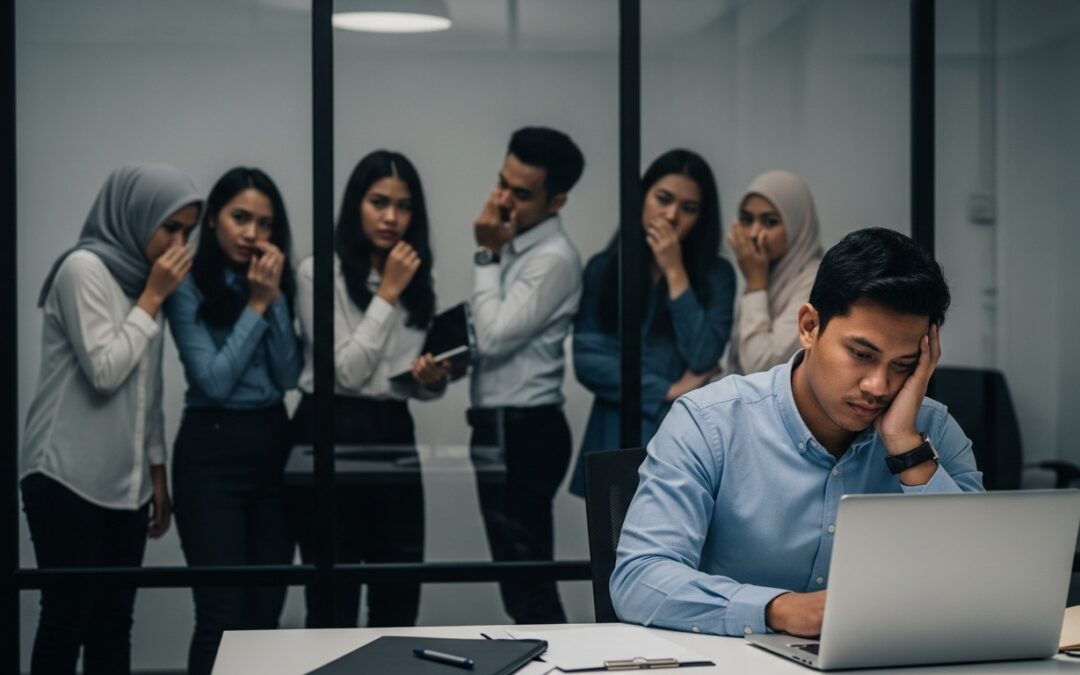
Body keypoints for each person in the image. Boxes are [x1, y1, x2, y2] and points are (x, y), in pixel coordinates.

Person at [610, 228, 983, 639]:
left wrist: (906, 449)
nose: (879, 386)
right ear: (809, 326)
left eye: (903, 365)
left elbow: (983, 581)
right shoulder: (709, 422)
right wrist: (779, 609)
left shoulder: (931, 433)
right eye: (862, 354)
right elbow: (639, 579)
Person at [20, 163, 201, 675]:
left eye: (188, 231)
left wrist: (157, 472)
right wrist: (151, 299)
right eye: (170, 227)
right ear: (136, 215)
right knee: (65, 619)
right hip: (64, 473)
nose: (179, 243)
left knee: (114, 622)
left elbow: (149, 390)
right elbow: (105, 371)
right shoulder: (83, 270)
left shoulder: (147, 283)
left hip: (125, 484)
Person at [292, 150, 448, 628]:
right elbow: (348, 373)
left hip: (392, 428)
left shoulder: (421, 278)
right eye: (378, 202)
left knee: (399, 589)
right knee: (333, 594)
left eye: (403, 206)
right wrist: (387, 293)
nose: (391, 218)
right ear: (354, 205)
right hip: (329, 424)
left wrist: (431, 382)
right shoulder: (319, 273)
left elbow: (401, 383)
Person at [165, 167, 303, 675]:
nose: (253, 234)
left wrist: (275, 296)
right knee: (220, 616)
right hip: (211, 451)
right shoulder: (186, 285)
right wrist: (258, 304)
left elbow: (290, 375)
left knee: (265, 611)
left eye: (266, 224)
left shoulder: (273, 280)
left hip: (272, 441)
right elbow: (213, 383)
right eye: (240, 218)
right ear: (214, 221)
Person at [468, 126, 585, 624]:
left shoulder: (553, 258)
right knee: (518, 582)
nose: (502, 200)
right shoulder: (517, 246)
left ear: (556, 201)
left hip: (526, 430)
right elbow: (489, 337)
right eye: (501, 183)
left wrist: (485, 254)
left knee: (528, 586)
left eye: (521, 193)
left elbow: (493, 337)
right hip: (502, 425)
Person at [569, 149, 735, 497]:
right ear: (643, 198)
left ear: (701, 217)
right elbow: (587, 360)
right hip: (614, 431)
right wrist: (666, 390)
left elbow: (703, 356)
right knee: (609, 545)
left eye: (688, 208)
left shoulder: (717, 275)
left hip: (678, 435)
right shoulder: (604, 268)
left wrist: (675, 273)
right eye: (663, 199)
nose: (672, 215)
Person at [720, 169, 823, 376]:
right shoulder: (768, 270)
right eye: (747, 220)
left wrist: (756, 284)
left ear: (797, 225)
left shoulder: (815, 281)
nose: (754, 233)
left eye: (770, 222)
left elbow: (761, 368)